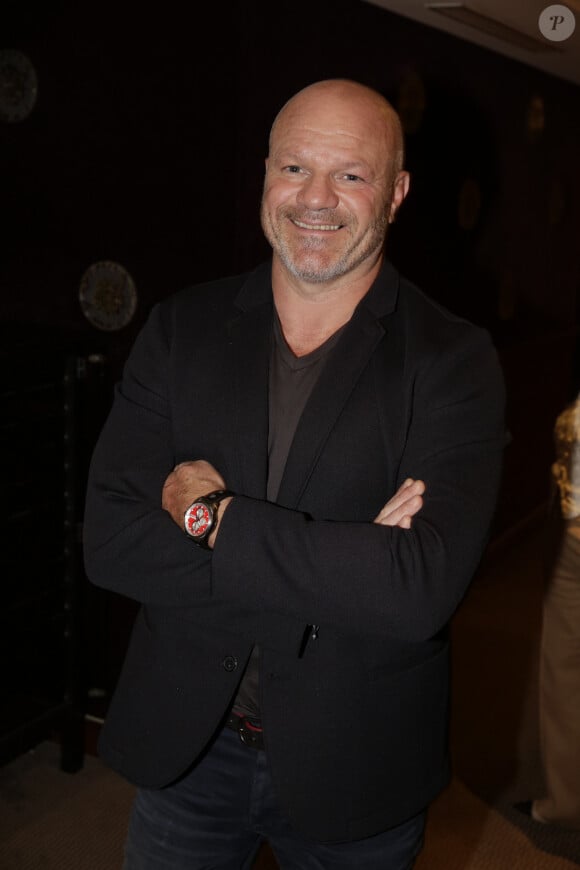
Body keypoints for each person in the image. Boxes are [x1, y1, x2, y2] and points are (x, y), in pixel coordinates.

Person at [83, 79, 505, 869]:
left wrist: (210, 516)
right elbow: (110, 542)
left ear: (396, 193)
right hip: (189, 750)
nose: (316, 198)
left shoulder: (453, 360)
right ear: (265, 176)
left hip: (358, 764)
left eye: (351, 174)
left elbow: (419, 589)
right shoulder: (182, 328)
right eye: (294, 168)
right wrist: (347, 566)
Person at [530, 391, 580, 830]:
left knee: (565, 667)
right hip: (570, 526)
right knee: (563, 667)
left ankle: (567, 802)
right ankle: (566, 800)